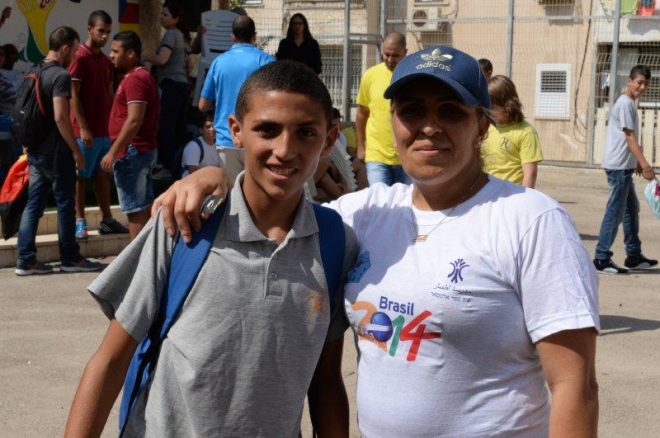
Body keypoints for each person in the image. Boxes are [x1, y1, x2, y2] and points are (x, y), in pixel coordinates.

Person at [155, 46, 600, 437]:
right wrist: (213, 177)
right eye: (412, 111)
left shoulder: (531, 221)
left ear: (481, 127)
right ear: (393, 122)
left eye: (450, 111)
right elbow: (274, 207)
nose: (429, 127)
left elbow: (573, 386)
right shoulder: (364, 214)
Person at [64, 60, 356, 437]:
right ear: (236, 131)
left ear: (329, 140)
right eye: (267, 130)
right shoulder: (183, 224)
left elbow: (325, 381)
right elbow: (109, 362)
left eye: (305, 133)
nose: (285, 150)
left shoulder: (333, 242)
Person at [15, 27, 101, 275]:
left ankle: (26, 260)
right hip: (56, 152)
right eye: (73, 50)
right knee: (65, 203)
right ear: (64, 48)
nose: (74, 56)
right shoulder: (60, 76)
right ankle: (70, 258)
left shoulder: (34, 70)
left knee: (33, 204)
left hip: (36, 150)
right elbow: (61, 117)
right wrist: (76, 150)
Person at [69, 10, 128, 240]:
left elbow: (109, 93)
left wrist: (114, 123)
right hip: (83, 131)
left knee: (103, 175)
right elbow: (73, 95)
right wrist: (84, 127)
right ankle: (79, 221)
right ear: (89, 29)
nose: (104, 36)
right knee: (80, 177)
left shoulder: (105, 61)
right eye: (101, 31)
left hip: (103, 130)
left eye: (108, 32)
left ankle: (107, 219)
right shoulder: (79, 58)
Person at [594, 64, 657, 274]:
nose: (642, 87)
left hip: (624, 166)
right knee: (615, 212)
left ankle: (634, 256)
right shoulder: (625, 104)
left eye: (646, 84)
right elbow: (630, 138)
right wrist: (645, 165)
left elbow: (628, 138)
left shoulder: (630, 103)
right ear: (629, 81)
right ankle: (601, 258)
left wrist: (636, 162)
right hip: (618, 168)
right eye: (639, 82)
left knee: (631, 210)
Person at [199, 15, 273, 182]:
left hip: (226, 140)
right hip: (257, 138)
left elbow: (203, 105)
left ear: (232, 36)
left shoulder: (218, 63)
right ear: (255, 36)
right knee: (258, 190)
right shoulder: (266, 61)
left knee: (233, 192)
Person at [101, 31, 159, 240]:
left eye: (116, 51)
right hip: (138, 150)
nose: (111, 55)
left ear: (131, 54)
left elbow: (134, 119)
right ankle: (147, 255)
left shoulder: (135, 79)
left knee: (135, 210)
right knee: (142, 207)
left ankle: (137, 258)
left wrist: (113, 152)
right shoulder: (136, 77)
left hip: (132, 151)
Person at [143, 1, 190, 180]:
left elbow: (162, 59)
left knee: (166, 127)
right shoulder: (181, 35)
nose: (161, 17)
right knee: (178, 127)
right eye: (161, 14)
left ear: (175, 19)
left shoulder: (171, 34)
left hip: (171, 84)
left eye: (165, 15)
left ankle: (167, 167)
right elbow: (189, 62)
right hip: (182, 85)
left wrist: (147, 56)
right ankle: (179, 167)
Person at [356, 32, 409, 186]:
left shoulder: (413, 77)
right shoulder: (370, 76)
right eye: (386, 54)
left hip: (406, 156)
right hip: (377, 155)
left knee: (406, 199)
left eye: (395, 55)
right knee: (380, 197)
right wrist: (361, 146)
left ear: (405, 52)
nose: (390, 59)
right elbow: (362, 114)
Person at [481, 75, 543, 188]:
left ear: (507, 105)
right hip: (487, 191)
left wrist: (524, 197)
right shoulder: (486, 126)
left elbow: (530, 174)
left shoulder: (526, 132)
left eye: (493, 108)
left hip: (511, 193)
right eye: (487, 108)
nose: (489, 112)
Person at [180, 112, 221, 177]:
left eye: (214, 126)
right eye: (208, 127)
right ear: (201, 130)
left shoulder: (219, 146)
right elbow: (193, 173)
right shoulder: (193, 146)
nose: (212, 129)